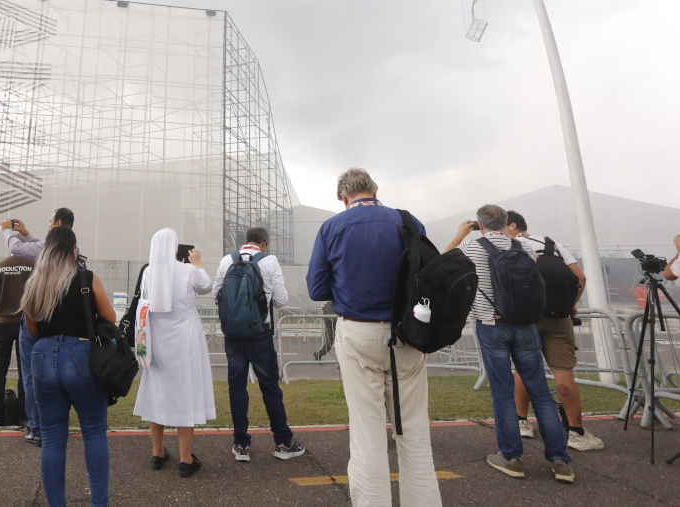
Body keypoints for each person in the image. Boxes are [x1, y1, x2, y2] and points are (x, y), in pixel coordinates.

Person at [307, 168, 441, 507]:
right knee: (413, 431)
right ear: (375, 190)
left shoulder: (332, 227)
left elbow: (317, 288)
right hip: (408, 332)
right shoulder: (408, 221)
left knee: (366, 431)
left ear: (343, 197)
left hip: (358, 330)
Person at [445, 204, 574, 483]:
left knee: (502, 393)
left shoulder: (473, 247)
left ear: (480, 225)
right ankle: (560, 460)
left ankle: (511, 456)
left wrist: (460, 234)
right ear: (506, 222)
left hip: (492, 325)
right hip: (526, 325)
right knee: (540, 391)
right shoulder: (522, 247)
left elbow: (442, 262)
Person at [22, 227, 115, 507]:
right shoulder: (87, 278)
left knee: (52, 437)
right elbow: (110, 318)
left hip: (43, 355)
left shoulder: (36, 281)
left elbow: (32, 327)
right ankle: (99, 502)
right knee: (94, 431)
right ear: (73, 250)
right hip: (82, 355)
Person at [505, 210, 605, 451]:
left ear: (513, 226)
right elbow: (580, 277)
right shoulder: (552, 243)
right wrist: (571, 305)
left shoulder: (511, 244)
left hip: (527, 317)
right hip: (559, 317)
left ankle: (521, 422)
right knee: (563, 372)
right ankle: (576, 432)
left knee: (523, 370)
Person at [212, 226, 304, 463]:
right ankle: (283, 442)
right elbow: (282, 301)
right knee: (270, 387)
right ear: (264, 243)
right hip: (259, 334)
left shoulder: (226, 260)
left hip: (233, 335)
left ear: (246, 241)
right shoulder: (269, 261)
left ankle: (240, 444)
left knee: (237, 388)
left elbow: (216, 295)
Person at [133, 228, 216, 477]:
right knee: (185, 394)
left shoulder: (148, 272)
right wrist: (198, 263)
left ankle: (157, 453)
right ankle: (185, 459)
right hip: (185, 342)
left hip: (157, 342)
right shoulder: (188, 271)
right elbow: (207, 286)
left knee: (157, 393)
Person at [0, 207, 75, 446]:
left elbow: (17, 249)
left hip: (36, 318)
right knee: (58, 375)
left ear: (59, 223)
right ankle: (56, 427)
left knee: (32, 375)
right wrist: (27, 233)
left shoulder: (45, 251)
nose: (48, 223)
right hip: (61, 320)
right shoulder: (71, 251)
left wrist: (6, 231)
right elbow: (37, 245)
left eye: (51, 220)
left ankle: (36, 428)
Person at [0, 251, 34, 426]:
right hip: (24, 322)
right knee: (25, 371)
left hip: (1, 322)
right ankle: (24, 416)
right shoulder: (32, 266)